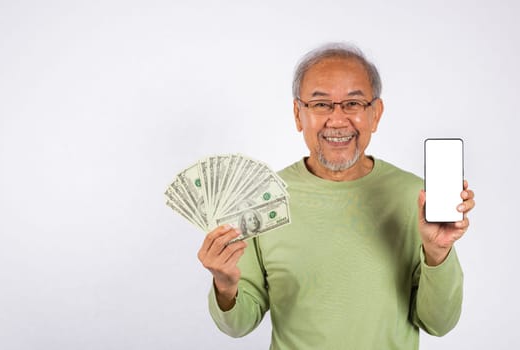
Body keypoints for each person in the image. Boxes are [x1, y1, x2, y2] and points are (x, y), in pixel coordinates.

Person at [197, 42, 476, 349]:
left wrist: (437, 254)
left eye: (353, 104)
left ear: (376, 114)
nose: (338, 120)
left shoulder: (417, 198)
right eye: (321, 105)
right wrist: (224, 286)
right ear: (297, 114)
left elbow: (439, 323)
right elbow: (239, 325)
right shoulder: (263, 199)